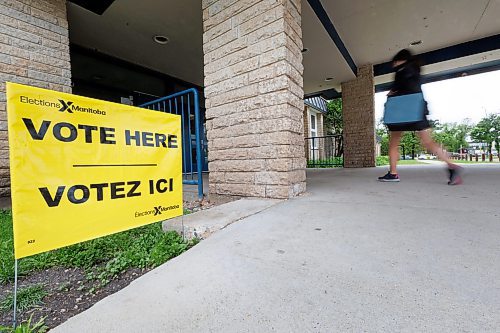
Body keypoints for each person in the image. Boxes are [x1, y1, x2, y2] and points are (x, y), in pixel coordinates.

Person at [378, 49, 463, 185]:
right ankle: (451, 166)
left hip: (401, 110)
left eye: (394, 61)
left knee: (394, 143)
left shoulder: (402, 71)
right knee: (428, 142)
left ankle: (393, 174)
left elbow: (397, 88)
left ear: (400, 60)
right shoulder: (415, 70)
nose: (393, 65)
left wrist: (391, 93)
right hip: (417, 109)